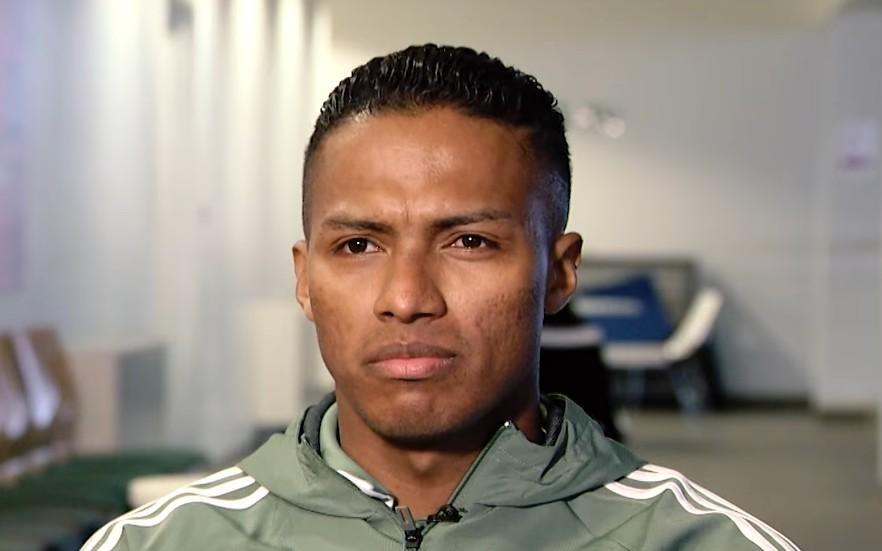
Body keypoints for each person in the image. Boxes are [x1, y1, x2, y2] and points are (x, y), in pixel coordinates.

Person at [83, 44, 799, 551]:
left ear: (559, 275)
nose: (406, 298)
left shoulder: (699, 542)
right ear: (304, 279)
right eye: (358, 246)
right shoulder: (162, 542)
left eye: (469, 242)